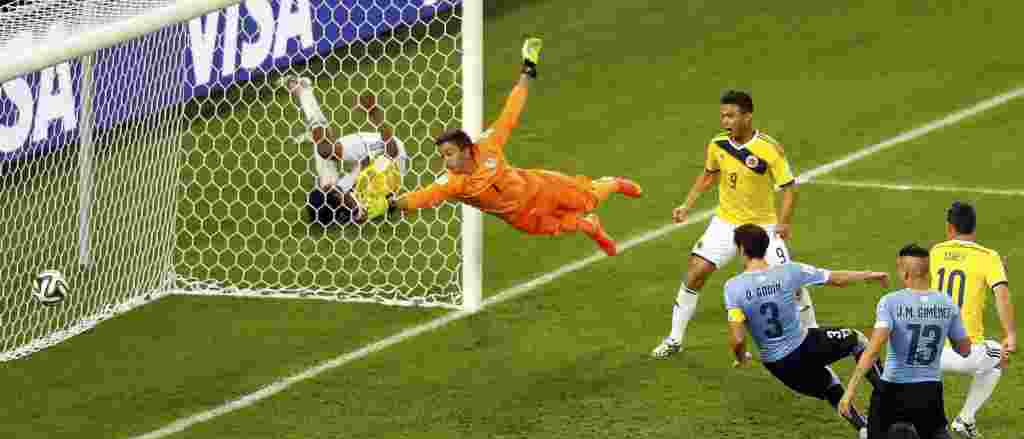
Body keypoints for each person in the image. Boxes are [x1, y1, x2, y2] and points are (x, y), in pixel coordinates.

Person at [389, 38, 642, 256]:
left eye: (449, 154)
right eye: (443, 156)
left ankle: (614, 183)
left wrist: (527, 70)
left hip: (540, 187)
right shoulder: (454, 184)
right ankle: (592, 228)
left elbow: (511, 111)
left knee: (588, 198)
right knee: (568, 224)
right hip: (522, 217)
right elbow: (421, 197)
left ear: (466, 150)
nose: (446, 161)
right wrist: (391, 205)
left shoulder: (487, 145)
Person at [652, 90, 817, 359]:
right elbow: (708, 175)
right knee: (695, 272)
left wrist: (783, 223)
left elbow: (789, 188)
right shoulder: (717, 144)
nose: (725, 121)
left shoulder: (768, 148)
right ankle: (674, 338)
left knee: (792, 283)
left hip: (763, 227)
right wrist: (687, 204)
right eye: (722, 116)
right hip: (726, 223)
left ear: (747, 117)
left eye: (731, 116)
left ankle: (812, 331)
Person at [835, 244, 972, 439]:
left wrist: (850, 391)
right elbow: (964, 349)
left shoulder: (891, 302)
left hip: (893, 388)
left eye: (899, 268)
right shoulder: (947, 304)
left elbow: (873, 349)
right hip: (929, 389)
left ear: (907, 270)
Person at [725, 224, 888, 439]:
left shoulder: (733, 287)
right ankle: (892, 399)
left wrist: (741, 356)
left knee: (830, 388)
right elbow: (836, 278)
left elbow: (737, 339)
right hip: (804, 346)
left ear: (741, 250)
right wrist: (869, 274)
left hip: (778, 365)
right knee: (857, 340)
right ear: (766, 247)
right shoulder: (789, 272)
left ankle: (867, 435)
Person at [930, 201, 1016, 439]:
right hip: (965, 352)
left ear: (949, 227)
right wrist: (1010, 334)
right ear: (974, 227)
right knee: (1000, 357)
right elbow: (1001, 294)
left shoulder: (935, 252)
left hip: (928, 350)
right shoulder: (989, 257)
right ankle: (965, 418)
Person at [282, 76, 409, 226]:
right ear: (337, 197)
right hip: (392, 153)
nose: (326, 186)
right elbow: (391, 152)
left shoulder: (351, 207)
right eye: (327, 189)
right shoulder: (368, 190)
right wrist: (374, 112)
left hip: (368, 172)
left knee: (324, 157)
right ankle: (304, 91)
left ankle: (305, 94)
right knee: (325, 151)